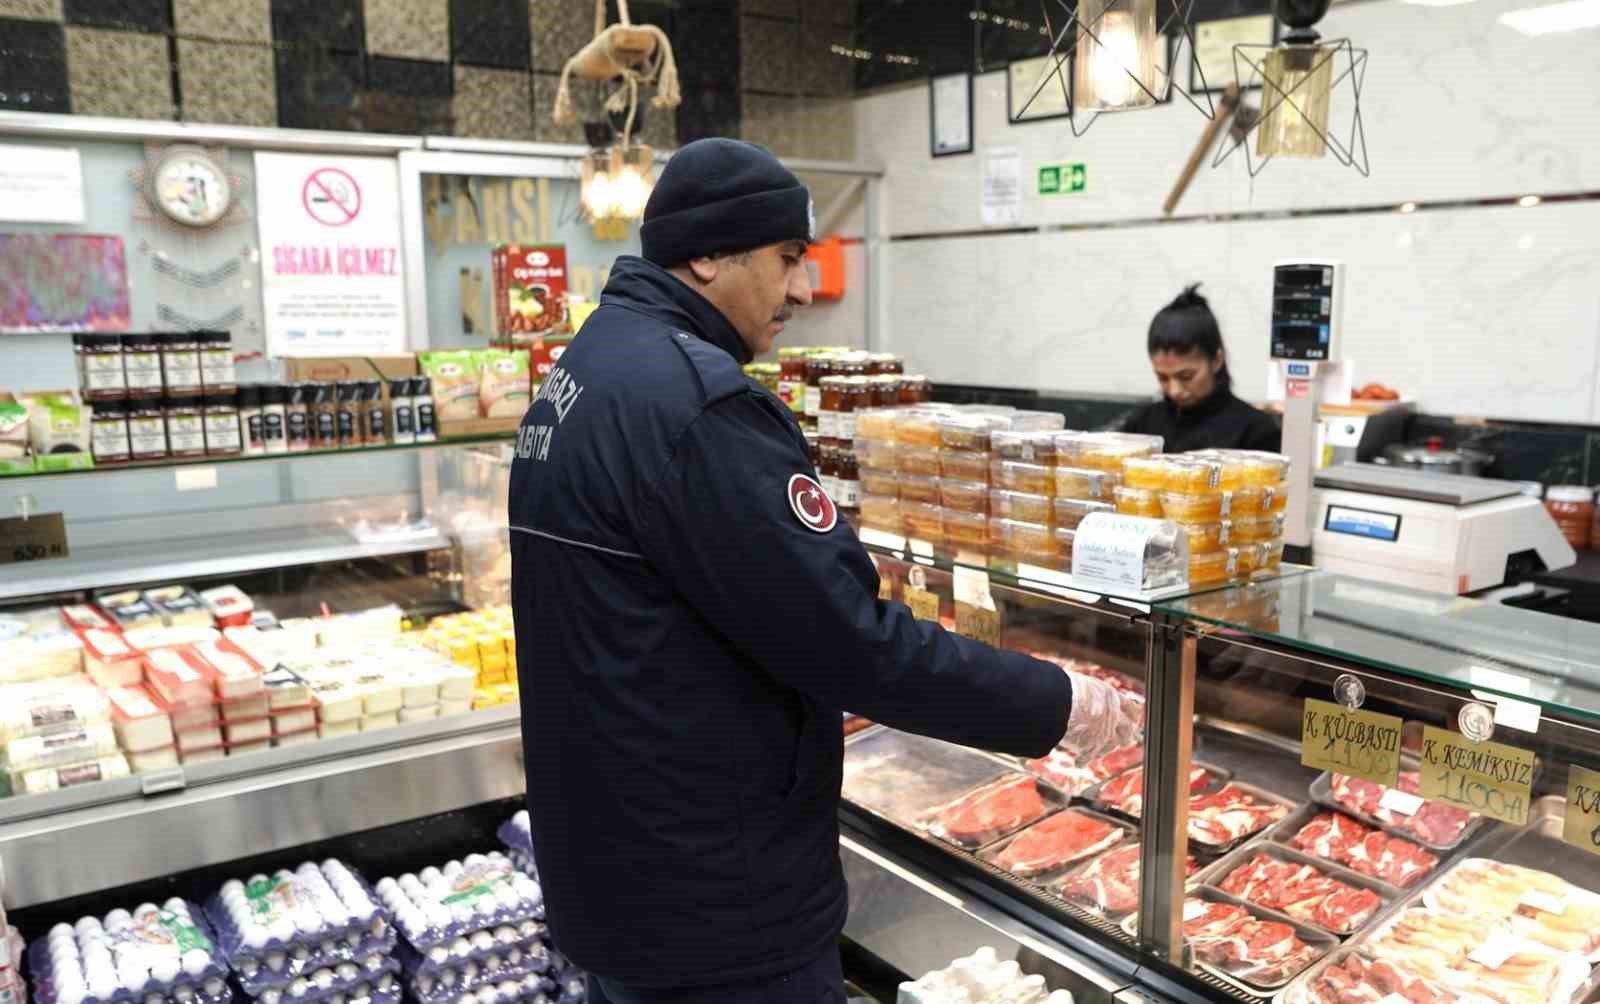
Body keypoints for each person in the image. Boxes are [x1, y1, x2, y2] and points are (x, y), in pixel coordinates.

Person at [507, 139, 1140, 1003]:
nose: (805, 290)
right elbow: (850, 642)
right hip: (717, 911)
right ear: (704, 255)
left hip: (619, 878)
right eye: (788, 259)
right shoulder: (701, 405)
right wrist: (1057, 700)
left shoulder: (580, 373)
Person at [1118, 285, 1281, 453]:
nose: (1175, 391)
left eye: (1186, 376)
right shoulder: (1141, 426)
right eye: (1163, 378)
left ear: (1217, 360)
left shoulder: (1255, 432)